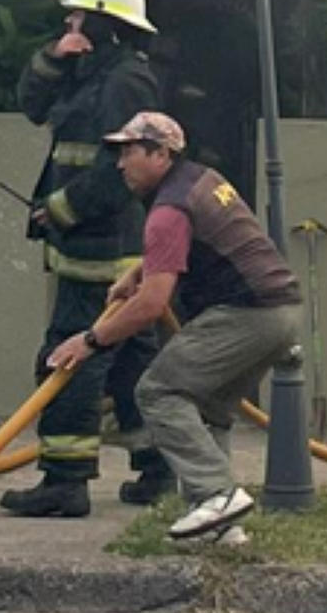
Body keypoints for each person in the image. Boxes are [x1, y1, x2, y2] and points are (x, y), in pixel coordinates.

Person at [46, 110, 303, 544]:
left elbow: (151, 306)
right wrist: (143, 269)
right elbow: (202, 241)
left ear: (161, 154)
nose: (121, 163)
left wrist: (88, 341)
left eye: (130, 152)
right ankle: (221, 529)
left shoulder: (168, 209)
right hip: (281, 312)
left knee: (158, 391)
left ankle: (216, 495)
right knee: (206, 409)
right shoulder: (202, 180)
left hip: (246, 313)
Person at [3, 0, 172, 519]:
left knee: (68, 359)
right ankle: (161, 468)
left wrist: (58, 210)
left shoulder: (125, 81)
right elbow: (31, 105)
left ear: (103, 22)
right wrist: (54, 55)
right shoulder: (86, 71)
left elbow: (116, 170)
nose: (69, 21)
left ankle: (65, 481)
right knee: (131, 372)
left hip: (102, 252)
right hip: (91, 244)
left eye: (78, 15)